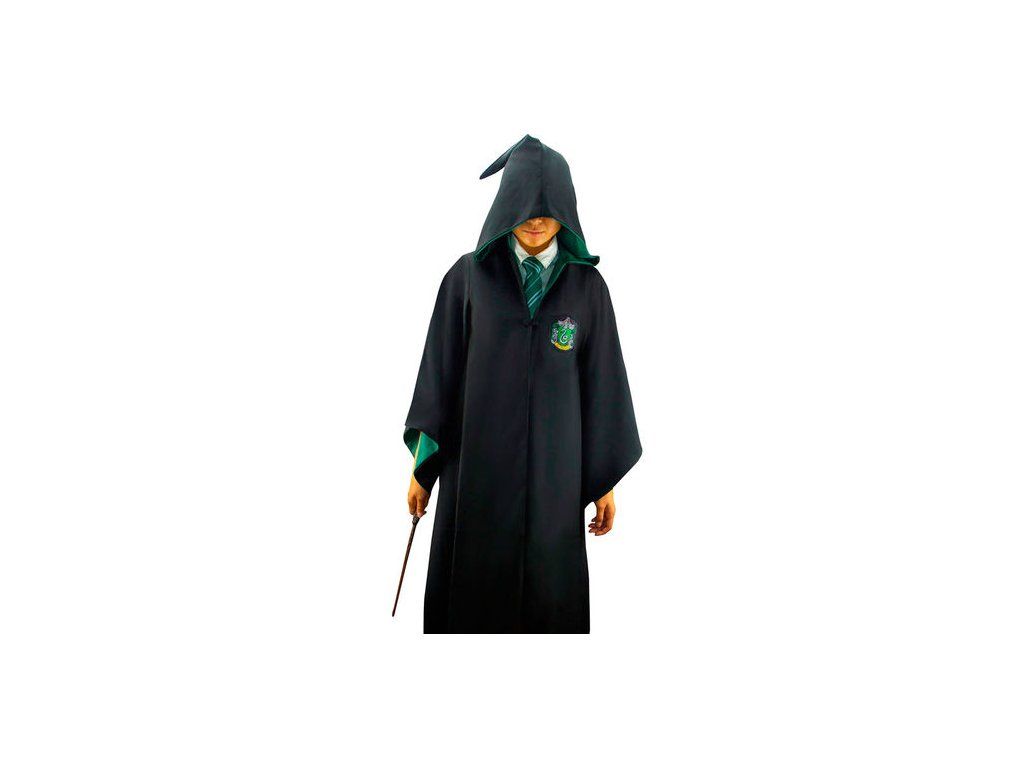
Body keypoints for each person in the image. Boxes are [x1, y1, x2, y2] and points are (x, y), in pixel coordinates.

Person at [403, 135, 641, 633]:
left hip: (555, 479)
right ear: (506, 205)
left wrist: (604, 482)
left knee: (548, 600)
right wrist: (423, 469)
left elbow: (604, 388)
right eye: (526, 207)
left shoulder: (588, 289)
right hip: (477, 475)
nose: (536, 220)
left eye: (548, 210)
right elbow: (438, 376)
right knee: (471, 599)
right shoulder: (468, 279)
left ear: (567, 210)